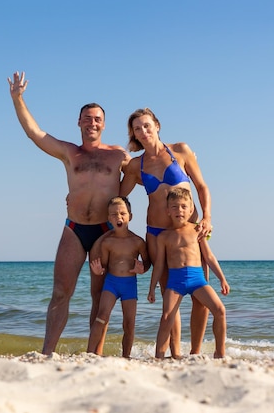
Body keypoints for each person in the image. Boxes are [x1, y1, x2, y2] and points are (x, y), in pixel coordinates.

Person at [7, 71, 130, 355]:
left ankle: (93, 354)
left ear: (104, 124)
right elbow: (35, 133)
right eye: (87, 118)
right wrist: (17, 99)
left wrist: (181, 158)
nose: (92, 122)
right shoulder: (69, 152)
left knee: (99, 296)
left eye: (97, 119)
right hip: (74, 229)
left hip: (104, 231)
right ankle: (46, 352)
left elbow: (145, 170)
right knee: (61, 293)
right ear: (78, 122)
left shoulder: (117, 155)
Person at [119, 107, 213, 357]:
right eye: (137, 128)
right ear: (134, 135)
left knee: (199, 294)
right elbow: (118, 197)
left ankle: (195, 351)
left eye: (147, 125)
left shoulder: (181, 150)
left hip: (191, 231)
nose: (143, 131)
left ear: (157, 125)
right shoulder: (136, 166)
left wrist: (207, 217)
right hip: (157, 233)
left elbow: (202, 187)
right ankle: (175, 353)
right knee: (169, 295)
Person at [148, 187, 229, 359]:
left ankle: (220, 352)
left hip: (197, 280)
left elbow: (209, 257)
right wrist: (152, 287)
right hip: (175, 282)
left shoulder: (197, 230)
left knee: (220, 310)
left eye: (184, 207)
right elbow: (160, 264)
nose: (180, 211)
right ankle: (159, 356)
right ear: (167, 210)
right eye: (175, 207)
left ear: (191, 209)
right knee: (166, 317)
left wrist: (222, 279)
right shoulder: (163, 236)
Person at [86, 196, 151, 358]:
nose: (118, 217)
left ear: (130, 216)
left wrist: (142, 269)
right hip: (111, 283)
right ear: (109, 218)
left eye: (122, 213)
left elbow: (148, 262)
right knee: (101, 317)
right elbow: (106, 266)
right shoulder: (107, 242)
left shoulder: (138, 242)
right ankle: (89, 353)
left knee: (129, 324)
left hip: (130, 285)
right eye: (114, 215)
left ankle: (126, 356)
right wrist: (99, 271)